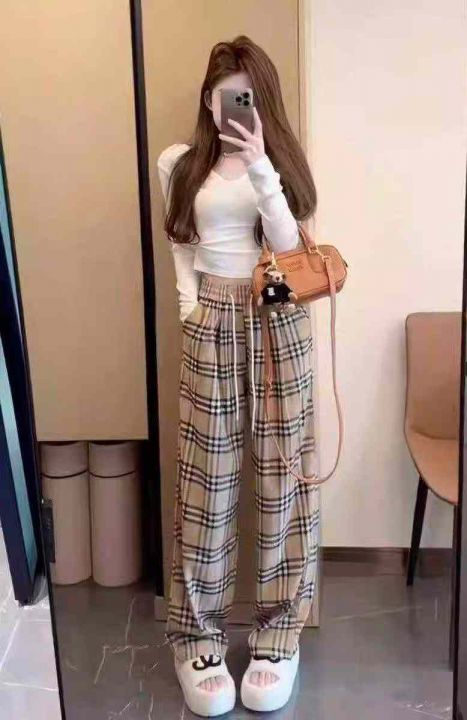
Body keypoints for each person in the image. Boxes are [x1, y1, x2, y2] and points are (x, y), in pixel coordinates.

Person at [157, 35, 319, 716]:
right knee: (207, 482)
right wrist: (191, 311)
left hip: (278, 316)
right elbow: (179, 244)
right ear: (207, 99)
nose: (232, 109)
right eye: (224, 97)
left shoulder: (280, 164)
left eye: (245, 97)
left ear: (263, 101)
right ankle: (197, 637)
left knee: (283, 479)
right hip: (213, 318)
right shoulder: (179, 163)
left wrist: (259, 167)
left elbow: (289, 244)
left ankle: (278, 635)